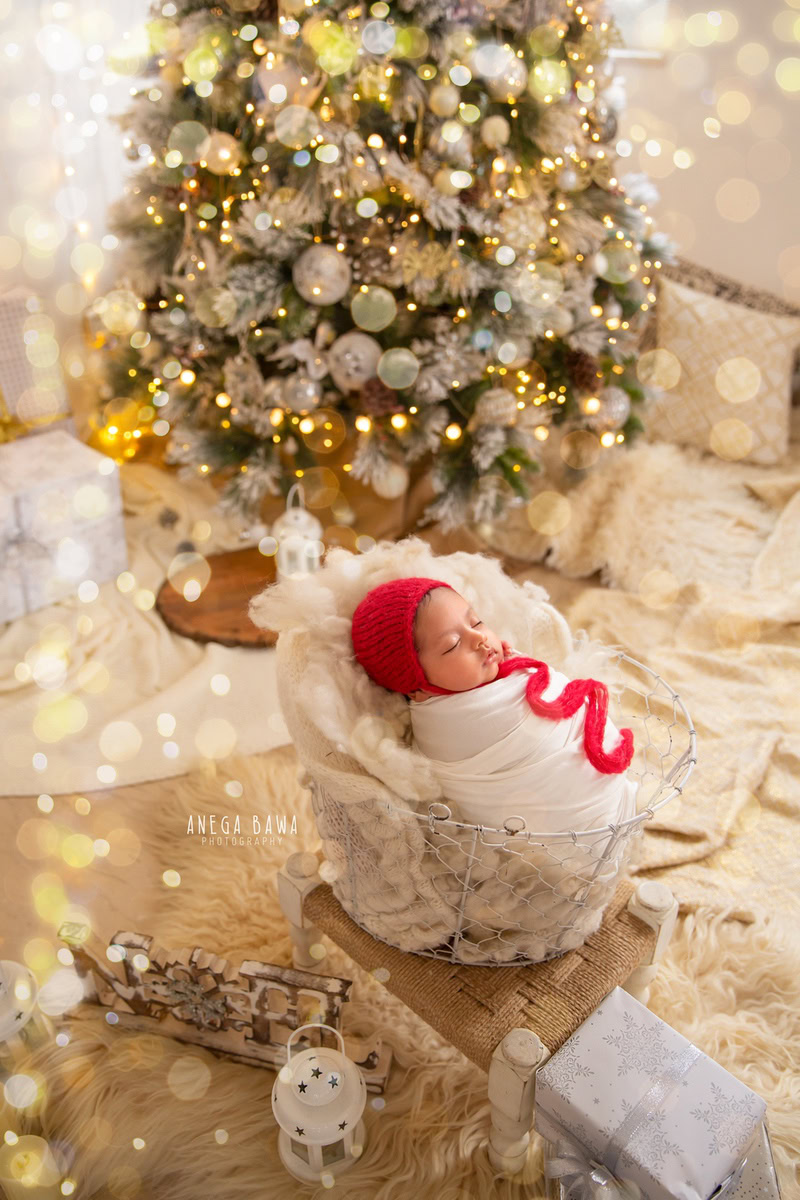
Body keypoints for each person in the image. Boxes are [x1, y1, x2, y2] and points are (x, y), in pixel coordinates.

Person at [351, 576, 638, 836]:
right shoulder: (450, 725)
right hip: (574, 835)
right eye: (452, 645)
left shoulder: (477, 681)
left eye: (476, 622)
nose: (479, 639)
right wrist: (513, 668)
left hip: (602, 808)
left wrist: (509, 663)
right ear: (418, 689)